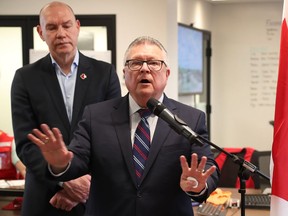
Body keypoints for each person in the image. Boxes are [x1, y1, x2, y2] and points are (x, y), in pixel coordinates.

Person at [27, 36, 220, 216]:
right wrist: (60, 163)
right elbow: (77, 161)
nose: (144, 69)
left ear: (167, 73)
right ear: (124, 73)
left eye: (153, 63)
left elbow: (207, 166)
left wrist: (198, 185)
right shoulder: (95, 115)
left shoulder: (190, 118)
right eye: (136, 63)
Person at [10, 1, 121, 216]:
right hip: (45, 199)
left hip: (93, 194)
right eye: (52, 27)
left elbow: (113, 139)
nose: (61, 33)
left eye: (67, 25)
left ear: (77, 27)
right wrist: (63, 180)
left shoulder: (104, 74)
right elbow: (25, 144)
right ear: (40, 32)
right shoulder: (25, 78)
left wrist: (82, 185)